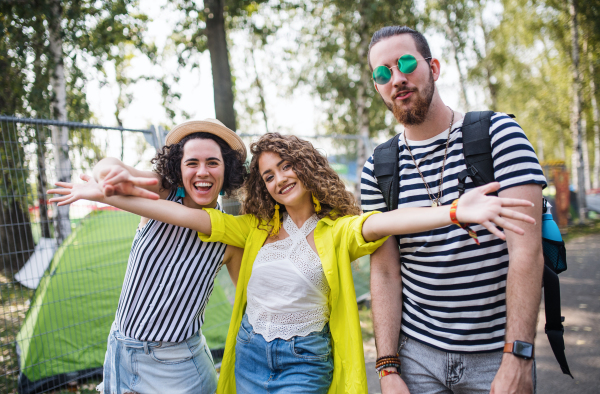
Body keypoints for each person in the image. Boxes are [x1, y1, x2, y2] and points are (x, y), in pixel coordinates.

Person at [50, 133, 535, 394]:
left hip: (305, 362)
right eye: (268, 174)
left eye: (287, 167)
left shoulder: (336, 231)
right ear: (260, 185)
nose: (280, 178)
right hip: (249, 356)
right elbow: (169, 207)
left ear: (307, 168)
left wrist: (452, 211)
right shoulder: (250, 229)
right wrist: (108, 195)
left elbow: (387, 222)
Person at [361, 26, 547, 394]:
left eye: (406, 63)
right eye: (383, 73)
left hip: (496, 355)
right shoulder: (377, 168)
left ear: (434, 67)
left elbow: (526, 251)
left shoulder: (499, 135)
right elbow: (384, 272)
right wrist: (387, 368)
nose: (396, 79)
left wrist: (518, 355)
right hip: (416, 358)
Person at [90, 119, 247, 394]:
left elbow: (251, 302)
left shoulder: (228, 236)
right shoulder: (161, 194)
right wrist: (109, 172)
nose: (202, 172)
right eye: (191, 163)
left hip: (178, 369)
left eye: (213, 162)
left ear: (227, 170)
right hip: (119, 350)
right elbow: (114, 166)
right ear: (178, 167)